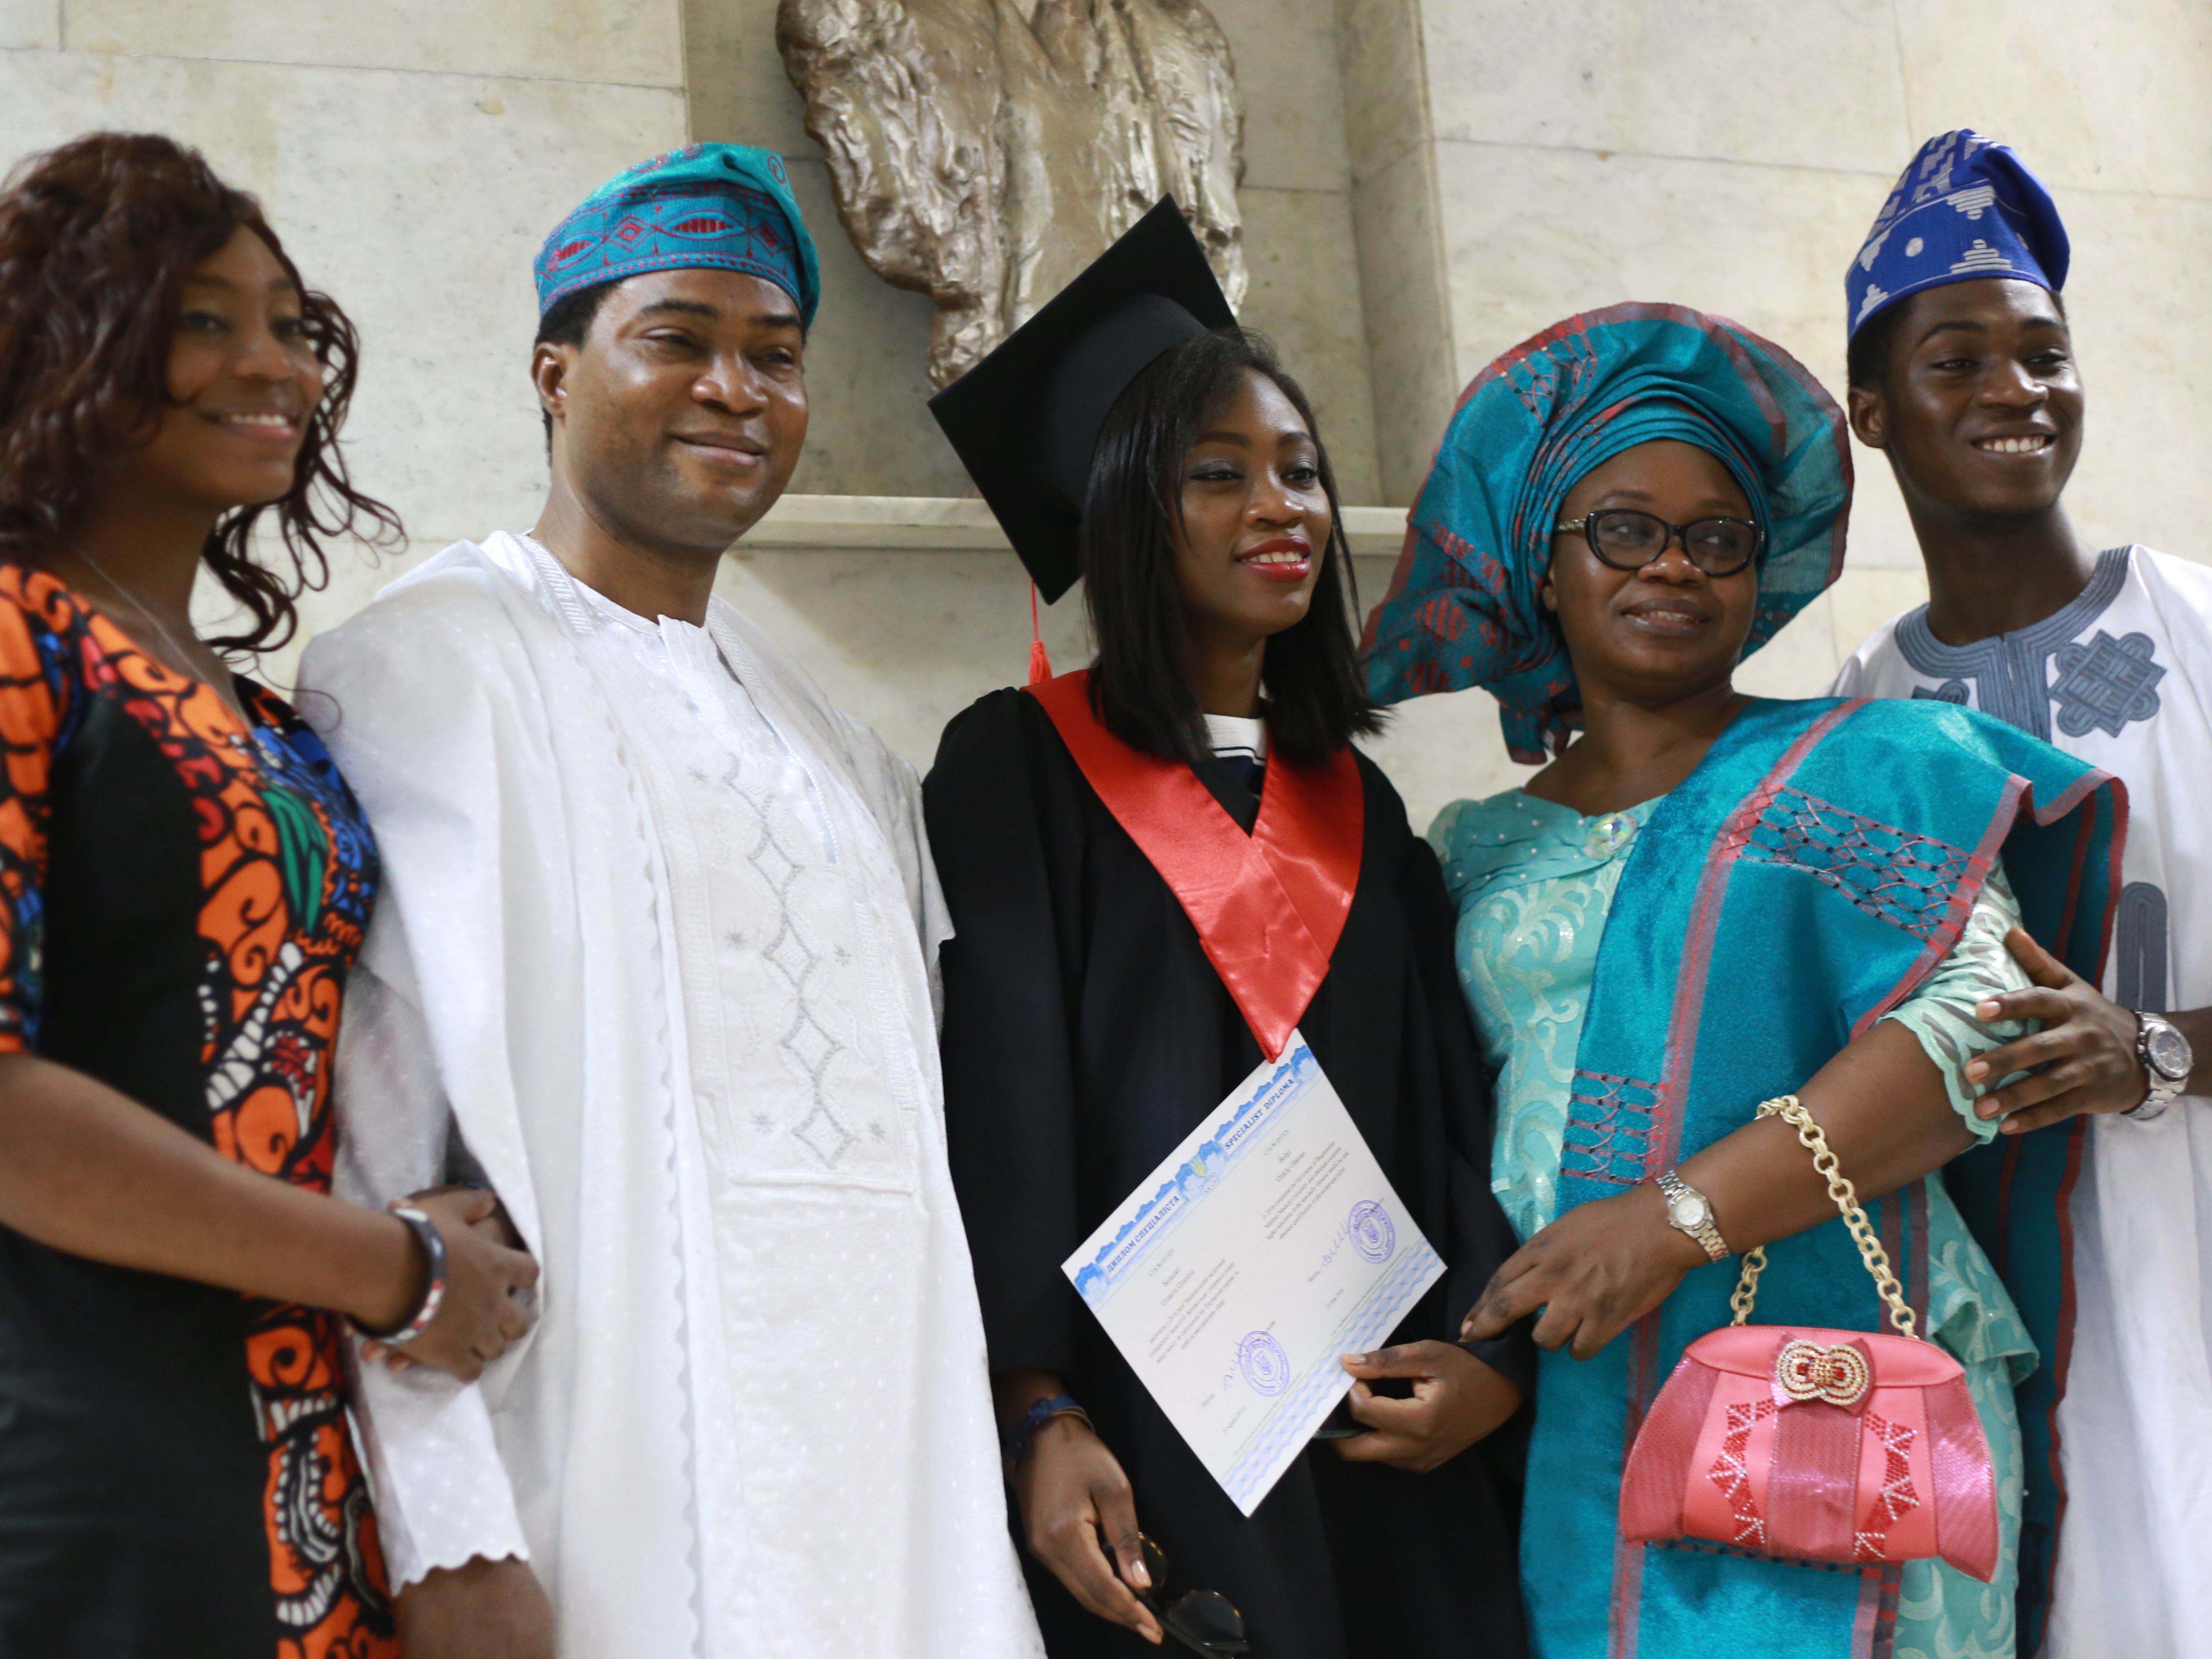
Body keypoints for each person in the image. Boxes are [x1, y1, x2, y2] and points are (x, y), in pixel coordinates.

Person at [297, 142, 1042, 1659]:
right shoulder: (427, 664)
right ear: (555, 372)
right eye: (677, 339)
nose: (734, 389)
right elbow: (370, 1136)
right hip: (592, 1473)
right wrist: (451, 1531)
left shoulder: (841, 750)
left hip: (888, 1486)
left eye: (775, 356)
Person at [1362, 301, 2126, 1658]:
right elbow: (1429, 1123)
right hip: (1573, 1404)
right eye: (1625, 530)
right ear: (1546, 564)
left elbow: (1979, 1038)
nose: (1676, 568)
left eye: (1719, 539)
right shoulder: (1469, 852)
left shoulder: (1881, 763)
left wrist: (1671, 1226)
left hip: (1839, 1400)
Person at [924, 201, 1531, 1659]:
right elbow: (1000, 1111)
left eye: (1302, 470)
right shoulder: (1015, 766)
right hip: (1143, 1430)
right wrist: (1037, 1404)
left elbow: (1451, 1115)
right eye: (1220, 474)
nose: (1285, 507)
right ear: (1127, 505)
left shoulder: (1367, 809)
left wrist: (1488, 1365)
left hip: (1375, 1419)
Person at [0, 132, 537, 1658]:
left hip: (312, 1450)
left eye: (293, 326)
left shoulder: (277, 724)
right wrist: (388, 1264)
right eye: (203, 318)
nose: (273, 363)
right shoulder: (20, 637)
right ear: (67, 341)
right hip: (82, 1448)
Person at [1832, 129, 2212, 1657]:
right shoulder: (1859, 728)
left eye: (2044, 353)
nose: (2015, 390)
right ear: (1873, 412)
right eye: (1958, 360)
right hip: (2003, 1314)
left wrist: (2156, 1051)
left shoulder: (2199, 631)